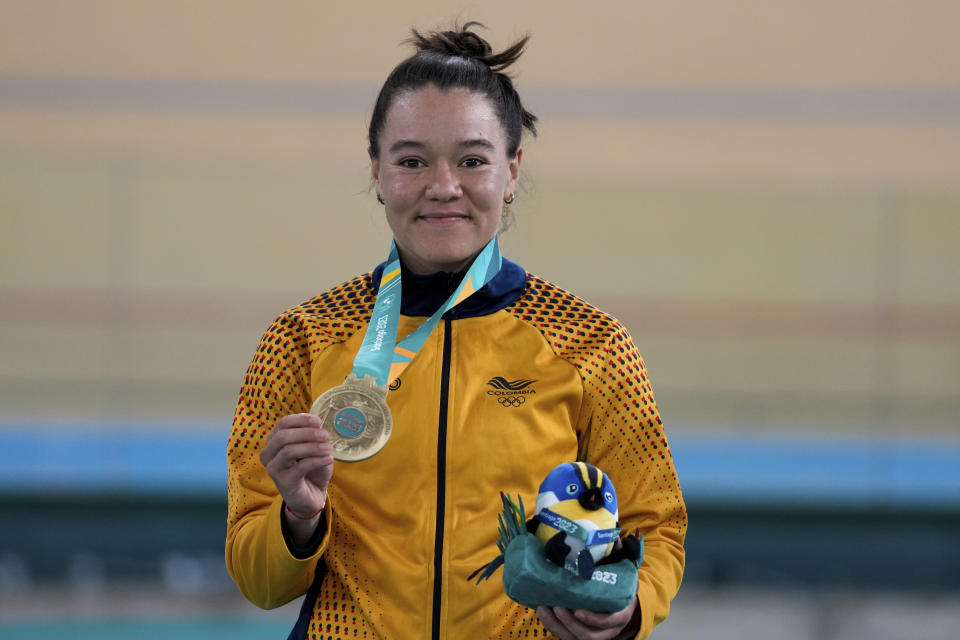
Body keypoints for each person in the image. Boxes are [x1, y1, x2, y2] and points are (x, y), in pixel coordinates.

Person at [225, 22, 686, 640]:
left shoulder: (590, 343)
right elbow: (258, 583)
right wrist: (298, 518)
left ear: (513, 169)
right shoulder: (302, 340)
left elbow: (656, 528)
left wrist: (628, 610)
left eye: (472, 160)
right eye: (411, 160)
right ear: (377, 172)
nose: (443, 186)